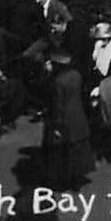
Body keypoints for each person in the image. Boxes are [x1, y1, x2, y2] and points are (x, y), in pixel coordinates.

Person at [41, 48, 94, 190]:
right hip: (78, 115)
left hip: (64, 120)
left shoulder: (58, 81)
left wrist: (56, 127)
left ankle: (63, 179)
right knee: (78, 149)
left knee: (63, 152)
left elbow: (58, 106)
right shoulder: (77, 75)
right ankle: (77, 178)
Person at [88, 21, 111, 163]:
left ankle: (110, 150)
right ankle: (100, 148)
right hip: (98, 85)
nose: (101, 41)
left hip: (110, 86)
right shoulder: (97, 48)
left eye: (104, 39)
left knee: (110, 119)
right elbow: (94, 66)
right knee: (98, 119)